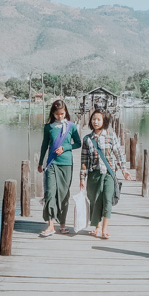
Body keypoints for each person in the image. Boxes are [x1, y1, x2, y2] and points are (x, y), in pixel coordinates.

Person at [80, 109, 130, 239]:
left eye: (98, 119)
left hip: (108, 173)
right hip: (93, 174)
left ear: (104, 121)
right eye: (93, 119)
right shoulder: (87, 139)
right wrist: (82, 178)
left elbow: (119, 154)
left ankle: (105, 228)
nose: (95, 122)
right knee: (95, 200)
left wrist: (124, 170)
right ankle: (96, 227)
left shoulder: (111, 136)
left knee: (107, 199)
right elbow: (84, 160)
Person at [37, 99, 82, 237]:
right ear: (53, 113)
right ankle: (51, 225)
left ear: (66, 112)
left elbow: (78, 143)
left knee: (63, 194)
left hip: (66, 164)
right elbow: (44, 145)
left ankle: (62, 223)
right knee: (50, 193)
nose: (60, 116)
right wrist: (40, 162)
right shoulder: (48, 127)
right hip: (51, 164)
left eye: (62, 114)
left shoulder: (71, 126)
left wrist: (65, 147)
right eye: (57, 114)